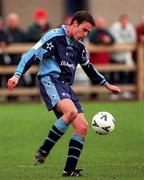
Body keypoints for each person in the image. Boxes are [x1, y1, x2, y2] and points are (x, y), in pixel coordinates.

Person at [7, 11, 121, 176]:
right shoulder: (54, 37)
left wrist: (106, 84)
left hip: (66, 86)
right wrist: (17, 74)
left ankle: (69, 171)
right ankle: (44, 150)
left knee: (82, 127)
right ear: (74, 24)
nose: (85, 34)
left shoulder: (79, 46)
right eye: (84, 30)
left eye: (88, 32)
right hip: (51, 81)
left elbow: (88, 67)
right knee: (71, 112)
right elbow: (31, 54)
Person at [110, 14, 136, 99]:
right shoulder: (115, 27)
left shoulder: (130, 27)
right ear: (120, 21)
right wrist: (125, 44)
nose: (124, 23)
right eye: (123, 21)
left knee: (124, 74)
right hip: (115, 54)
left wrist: (125, 45)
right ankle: (113, 93)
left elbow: (133, 39)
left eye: (126, 21)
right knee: (114, 74)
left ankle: (124, 91)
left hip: (125, 55)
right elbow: (116, 40)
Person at [88, 16, 115, 99]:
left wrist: (109, 40)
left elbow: (113, 40)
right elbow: (92, 40)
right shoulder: (93, 31)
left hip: (104, 59)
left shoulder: (106, 31)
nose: (101, 24)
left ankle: (110, 94)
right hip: (95, 60)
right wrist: (103, 40)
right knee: (94, 78)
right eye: (99, 23)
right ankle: (93, 96)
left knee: (107, 77)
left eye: (102, 23)